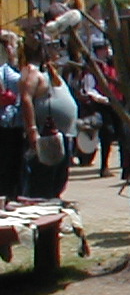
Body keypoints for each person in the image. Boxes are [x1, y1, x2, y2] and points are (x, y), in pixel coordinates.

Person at [18, 34, 76, 199]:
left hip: (62, 135)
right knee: (44, 183)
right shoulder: (32, 71)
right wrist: (32, 131)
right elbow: (26, 99)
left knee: (58, 180)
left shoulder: (49, 70)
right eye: (52, 45)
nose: (56, 49)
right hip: (46, 136)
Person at [80, 37, 126, 178]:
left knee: (123, 133)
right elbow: (89, 89)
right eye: (102, 49)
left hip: (117, 103)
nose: (106, 51)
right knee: (107, 133)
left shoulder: (113, 65)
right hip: (102, 105)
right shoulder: (93, 68)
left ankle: (126, 167)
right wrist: (104, 99)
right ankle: (104, 166)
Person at [0, 29, 24, 198]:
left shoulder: (10, 68)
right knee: (6, 167)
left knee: (15, 167)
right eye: (12, 46)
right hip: (5, 124)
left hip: (15, 123)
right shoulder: (3, 69)